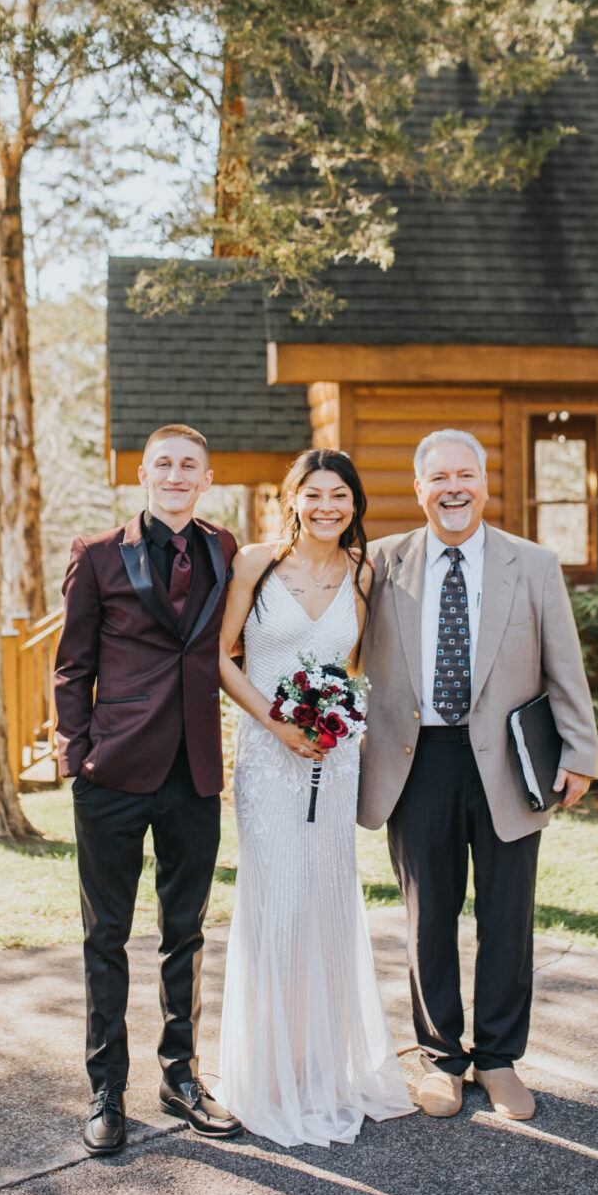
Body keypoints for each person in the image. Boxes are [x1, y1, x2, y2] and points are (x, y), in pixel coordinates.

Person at [360, 429, 598, 1122]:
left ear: (486, 484)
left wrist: (579, 752)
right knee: (428, 914)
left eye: (465, 475)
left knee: (506, 915)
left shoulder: (533, 563)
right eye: (438, 478)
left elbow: (565, 665)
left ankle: (498, 1060)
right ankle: (441, 1059)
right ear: (419, 489)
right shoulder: (380, 563)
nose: (453, 488)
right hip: (417, 761)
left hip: (512, 759)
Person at [53, 423, 244, 1154]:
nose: (175, 473)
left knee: (185, 933)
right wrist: (77, 758)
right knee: (106, 935)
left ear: (207, 477)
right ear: (142, 474)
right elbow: (73, 665)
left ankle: (181, 1077)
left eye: (188, 465)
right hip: (115, 773)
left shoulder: (224, 548)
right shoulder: (97, 555)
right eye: (163, 463)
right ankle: (106, 1088)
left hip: (194, 772)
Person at [217, 449, 414, 1147]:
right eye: (315, 494)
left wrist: (337, 718)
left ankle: (319, 1066)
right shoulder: (254, 563)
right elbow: (221, 654)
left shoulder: (364, 574)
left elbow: (365, 662)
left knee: (326, 897)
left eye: (342, 496)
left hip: (333, 759)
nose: (328, 507)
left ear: (355, 504)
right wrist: (276, 723)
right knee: (278, 897)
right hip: (268, 758)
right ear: (292, 497)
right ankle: (264, 1074)